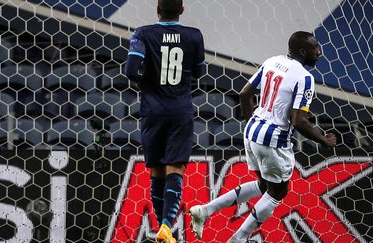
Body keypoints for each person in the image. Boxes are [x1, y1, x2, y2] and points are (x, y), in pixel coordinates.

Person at [189, 31, 337, 242]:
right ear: (303, 51)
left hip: (252, 132)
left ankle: (204, 211)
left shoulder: (272, 62)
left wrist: (253, 124)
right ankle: (239, 238)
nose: (319, 52)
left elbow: (244, 94)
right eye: (316, 48)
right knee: (278, 193)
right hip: (273, 139)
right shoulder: (305, 78)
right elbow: (299, 121)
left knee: (263, 186)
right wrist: (324, 140)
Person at [125, 0, 205, 242]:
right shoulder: (194, 36)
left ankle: (162, 229)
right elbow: (200, 72)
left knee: (156, 171)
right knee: (175, 170)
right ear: (182, 10)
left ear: (157, 9)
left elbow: (130, 71)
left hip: (152, 110)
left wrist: (149, 83)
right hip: (180, 109)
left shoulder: (143, 33)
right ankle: (167, 227)